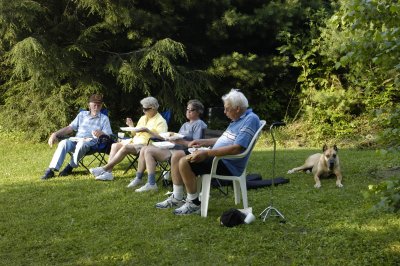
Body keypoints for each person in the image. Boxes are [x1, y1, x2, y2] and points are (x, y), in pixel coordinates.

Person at [156, 89, 260, 215]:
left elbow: (237, 148)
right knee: (177, 155)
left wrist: (207, 153)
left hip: (227, 162)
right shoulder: (238, 119)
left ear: (237, 108)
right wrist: (202, 142)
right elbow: (223, 139)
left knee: (184, 161)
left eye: (227, 108)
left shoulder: (250, 119)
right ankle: (177, 197)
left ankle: (193, 203)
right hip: (219, 157)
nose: (224, 111)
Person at [128, 99, 207, 192]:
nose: (188, 111)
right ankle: (140, 178)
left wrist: (179, 141)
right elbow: (178, 139)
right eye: (187, 109)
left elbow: (195, 144)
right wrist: (172, 138)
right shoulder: (185, 124)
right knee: (145, 148)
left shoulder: (199, 124)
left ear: (198, 112)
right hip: (174, 148)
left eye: (191, 110)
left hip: (183, 153)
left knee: (148, 151)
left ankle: (151, 183)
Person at [90, 96, 168, 184]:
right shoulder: (143, 118)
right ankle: (108, 173)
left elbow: (163, 138)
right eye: (143, 109)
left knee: (126, 147)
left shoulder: (161, 121)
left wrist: (148, 131)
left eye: (146, 109)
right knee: (115, 145)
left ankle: (104, 168)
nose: (143, 111)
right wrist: (131, 126)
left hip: (146, 145)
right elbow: (134, 134)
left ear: (153, 108)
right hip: (134, 141)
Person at [41, 94, 113, 179]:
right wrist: (55, 134)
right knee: (63, 143)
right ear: (89, 105)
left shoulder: (104, 118)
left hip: (91, 143)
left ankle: (70, 166)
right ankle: (51, 170)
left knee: (82, 143)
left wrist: (101, 133)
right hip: (76, 140)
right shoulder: (82, 115)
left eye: (99, 104)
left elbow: (108, 135)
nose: (96, 106)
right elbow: (69, 128)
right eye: (94, 104)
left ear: (101, 106)